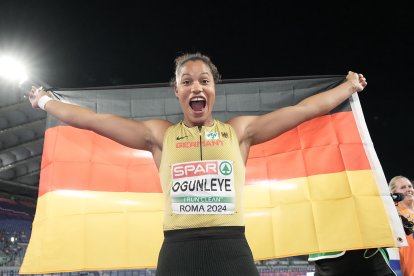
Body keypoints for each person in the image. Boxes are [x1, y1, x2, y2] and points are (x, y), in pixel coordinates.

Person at [28, 52, 367, 276]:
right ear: (176, 91)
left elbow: (304, 111)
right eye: (186, 81)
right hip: (178, 253)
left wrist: (348, 86)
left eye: (204, 80)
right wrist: (44, 100)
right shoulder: (160, 135)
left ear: (214, 89)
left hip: (232, 251)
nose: (196, 86)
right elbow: (93, 120)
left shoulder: (239, 132)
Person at [389, 175, 414, 276]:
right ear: (394, 195)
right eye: (403, 187)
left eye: (409, 186)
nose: (408, 189)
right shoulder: (394, 214)